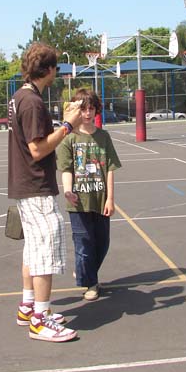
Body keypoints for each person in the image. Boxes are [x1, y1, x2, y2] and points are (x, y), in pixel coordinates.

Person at [7, 42, 83, 343]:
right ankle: (40, 319)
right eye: (56, 68)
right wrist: (68, 126)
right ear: (48, 69)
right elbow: (37, 149)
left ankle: (28, 306)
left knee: (33, 248)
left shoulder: (20, 96)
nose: (57, 73)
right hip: (35, 185)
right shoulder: (32, 102)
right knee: (45, 251)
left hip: (26, 185)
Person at [56, 89, 121, 301]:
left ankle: (84, 271)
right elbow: (66, 169)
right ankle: (91, 283)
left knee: (102, 243)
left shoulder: (103, 137)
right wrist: (68, 190)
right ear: (75, 110)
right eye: (83, 109)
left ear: (96, 110)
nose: (87, 113)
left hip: (100, 200)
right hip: (78, 203)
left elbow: (110, 169)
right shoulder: (68, 139)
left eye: (91, 108)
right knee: (83, 243)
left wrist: (110, 199)